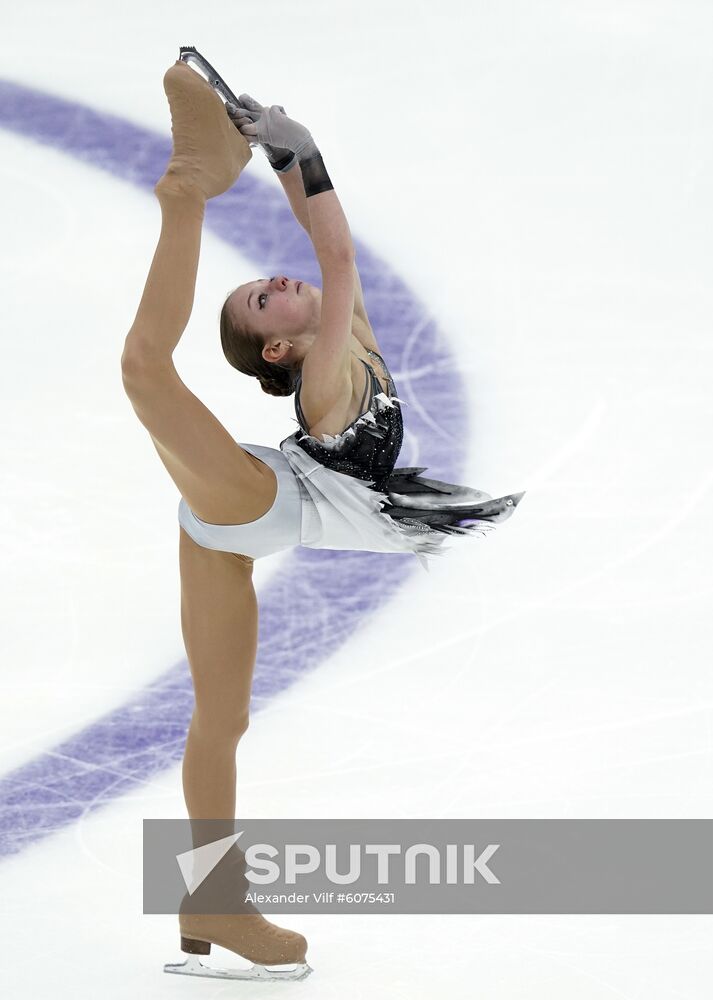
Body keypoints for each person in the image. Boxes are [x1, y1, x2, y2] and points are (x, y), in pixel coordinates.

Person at [121, 56, 523, 981]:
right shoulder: (327, 379)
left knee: (219, 722)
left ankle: (210, 898)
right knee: (145, 372)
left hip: (226, 524)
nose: (274, 276)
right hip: (263, 504)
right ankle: (185, 189)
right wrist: (313, 154)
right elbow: (337, 257)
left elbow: (321, 241)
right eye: (264, 295)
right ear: (281, 344)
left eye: (264, 280)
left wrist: (285, 161)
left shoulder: (356, 347)